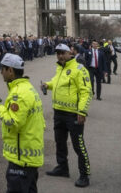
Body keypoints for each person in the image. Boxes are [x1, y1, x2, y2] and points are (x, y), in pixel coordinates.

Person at [0, 53, 45, 193]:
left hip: (21, 158)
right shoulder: (27, 88)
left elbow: (12, 121)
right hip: (29, 154)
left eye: (3, 69)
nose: (1, 72)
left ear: (10, 71)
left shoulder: (19, 94)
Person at [41, 43, 92, 188]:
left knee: (78, 146)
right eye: (58, 53)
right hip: (59, 112)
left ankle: (85, 175)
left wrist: (82, 111)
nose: (60, 56)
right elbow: (57, 83)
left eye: (63, 53)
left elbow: (86, 92)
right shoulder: (60, 68)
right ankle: (62, 168)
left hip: (73, 114)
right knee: (60, 142)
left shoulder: (79, 69)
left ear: (70, 53)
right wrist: (47, 85)